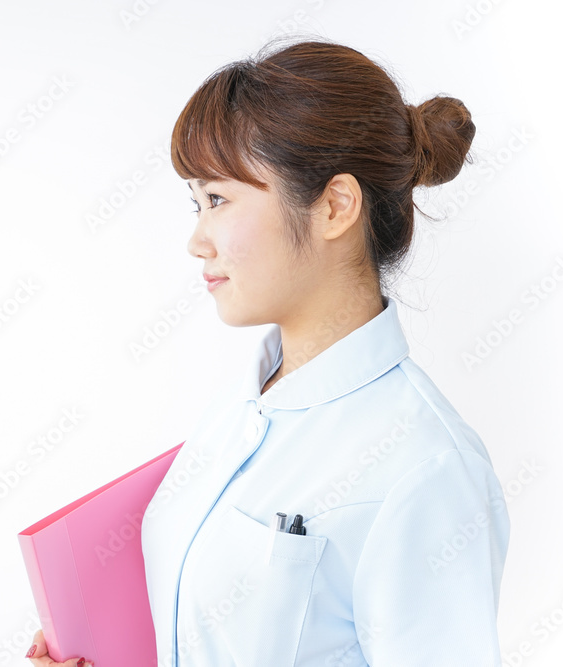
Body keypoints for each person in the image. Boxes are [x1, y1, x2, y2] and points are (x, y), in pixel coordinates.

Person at [28, 36, 509, 667]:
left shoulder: (429, 468)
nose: (197, 241)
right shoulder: (235, 413)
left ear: (334, 206)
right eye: (196, 203)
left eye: (218, 199)